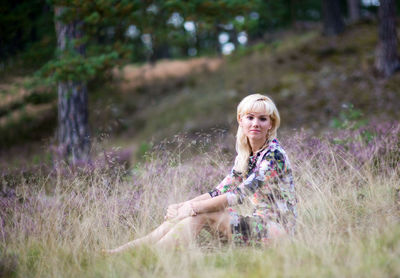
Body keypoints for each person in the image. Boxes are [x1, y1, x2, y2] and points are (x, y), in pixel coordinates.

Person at [104, 93, 296, 253]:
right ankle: (130, 250)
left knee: (202, 213)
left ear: (270, 124)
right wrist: (183, 206)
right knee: (199, 210)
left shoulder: (274, 155)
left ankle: (151, 256)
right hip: (258, 224)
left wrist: (194, 208)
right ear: (241, 120)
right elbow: (220, 191)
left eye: (262, 119)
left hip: (277, 231)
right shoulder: (246, 156)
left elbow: (239, 195)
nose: (256, 123)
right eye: (250, 117)